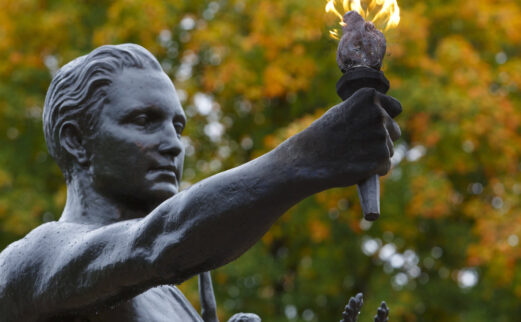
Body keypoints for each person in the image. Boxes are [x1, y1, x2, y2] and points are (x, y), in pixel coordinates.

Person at [0, 44, 401, 321]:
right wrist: (313, 156)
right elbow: (157, 243)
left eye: (178, 127)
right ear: (75, 139)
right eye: (143, 121)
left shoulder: (171, 298)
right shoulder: (32, 261)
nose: (173, 145)